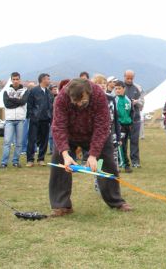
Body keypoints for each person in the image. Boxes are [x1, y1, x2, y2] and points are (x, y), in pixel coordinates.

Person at [49, 78, 132, 217]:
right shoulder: (61, 98)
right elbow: (58, 126)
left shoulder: (99, 96)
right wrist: (65, 153)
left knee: (108, 164)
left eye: (82, 102)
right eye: (75, 102)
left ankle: (116, 201)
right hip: (70, 134)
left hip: (94, 133)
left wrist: (93, 155)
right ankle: (61, 206)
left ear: (89, 93)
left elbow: (102, 126)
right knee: (59, 163)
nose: (79, 105)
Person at [0, 72, 29, 169]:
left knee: (19, 143)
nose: (15, 81)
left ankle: (16, 161)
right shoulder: (6, 90)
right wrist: (18, 101)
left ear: (20, 79)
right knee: (7, 142)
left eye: (17, 79)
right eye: (14, 79)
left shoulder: (25, 90)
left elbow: (23, 101)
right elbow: (7, 104)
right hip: (9, 120)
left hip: (20, 120)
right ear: (11, 80)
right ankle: (4, 162)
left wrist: (13, 100)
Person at [26, 73, 53, 167]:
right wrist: (32, 116)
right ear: (42, 80)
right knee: (32, 139)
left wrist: (51, 117)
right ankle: (30, 159)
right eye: (48, 79)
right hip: (35, 120)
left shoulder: (49, 93)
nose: (49, 81)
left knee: (44, 140)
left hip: (46, 120)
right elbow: (29, 105)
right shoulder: (33, 91)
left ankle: (41, 159)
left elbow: (51, 106)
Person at [123, 70, 144, 168]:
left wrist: (136, 102)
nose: (129, 80)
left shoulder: (138, 88)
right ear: (124, 77)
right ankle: (123, 160)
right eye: (128, 78)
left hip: (135, 118)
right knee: (123, 141)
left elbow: (142, 102)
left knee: (134, 141)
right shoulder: (119, 87)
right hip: (123, 120)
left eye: (131, 78)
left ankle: (135, 161)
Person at [114, 81, 133, 173]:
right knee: (120, 146)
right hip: (119, 125)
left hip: (127, 125)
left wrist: (130, 123)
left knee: (125, 145)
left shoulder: (128, 100)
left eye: (119, 88)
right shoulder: (114, 100)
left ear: (124, 89)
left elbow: (131, 112)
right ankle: (125, 165)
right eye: (116, 89)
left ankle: (121, 164)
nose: (117, 90)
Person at [48, 84, 58, 155]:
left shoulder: (58, 97)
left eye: (56, 89)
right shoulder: (48, 98)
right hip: (50, 118)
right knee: (51, 136)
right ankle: (51, 150)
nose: (55, 90)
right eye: (54, 89)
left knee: (56, 136)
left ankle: (56, 150)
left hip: (56, 118)